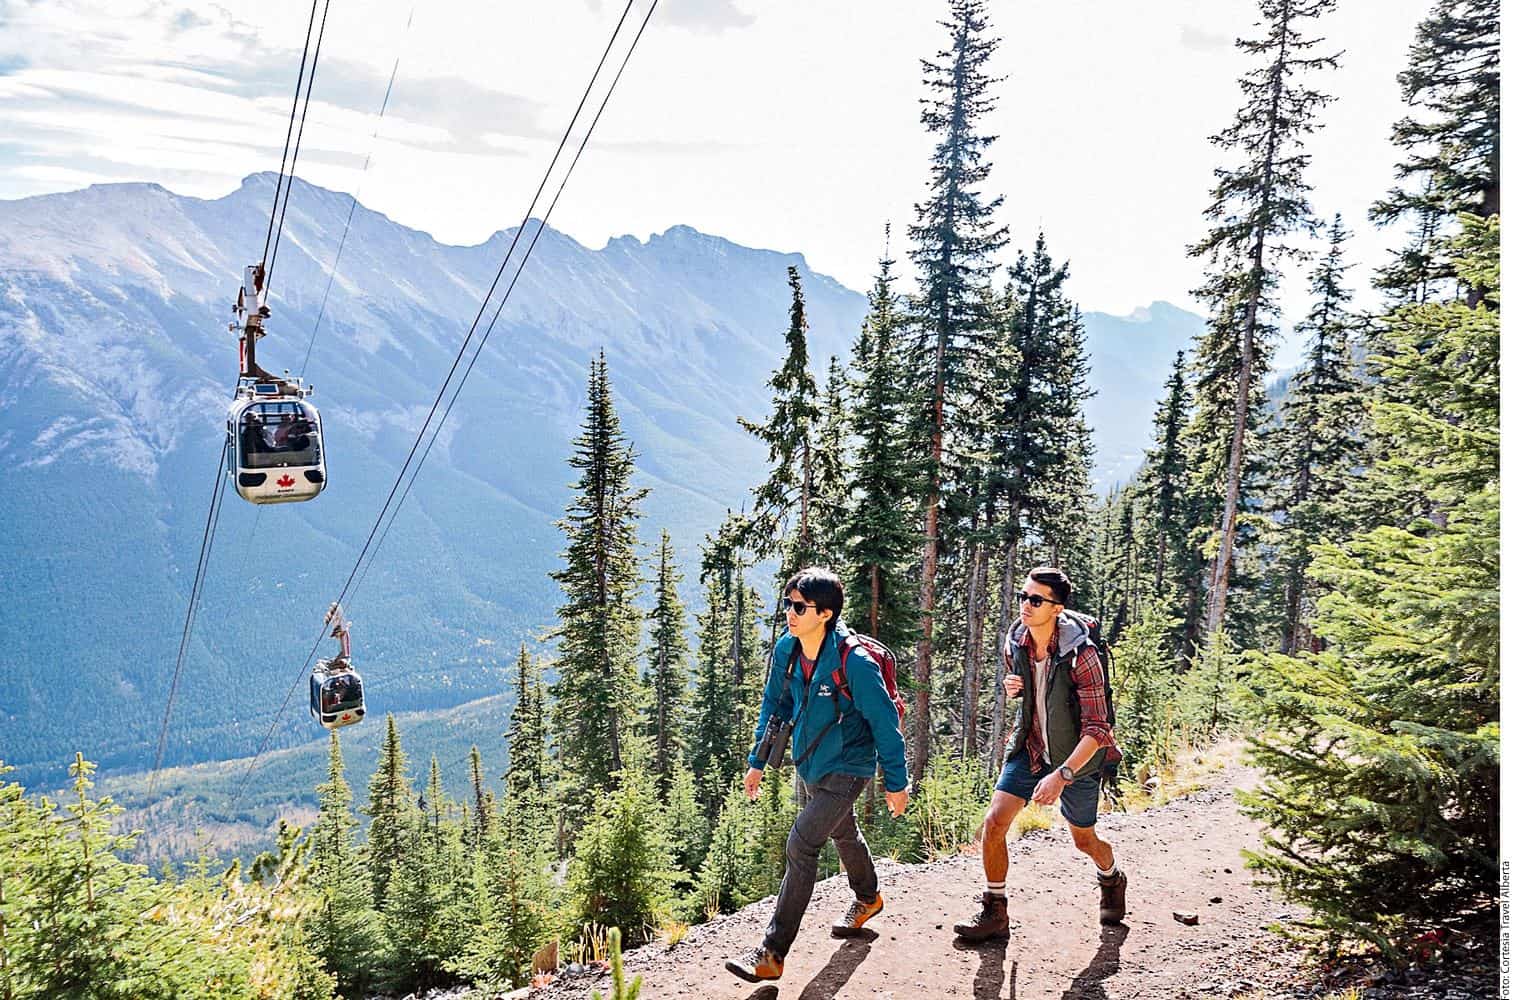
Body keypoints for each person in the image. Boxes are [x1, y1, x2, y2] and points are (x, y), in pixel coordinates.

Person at [724, 567, 910, 983]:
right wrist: (757, 761)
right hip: (810, 762)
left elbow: (884, 724)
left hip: (850, 767)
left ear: (825, 614)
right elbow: (775, 705)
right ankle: (868, 897)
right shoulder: (788, 649)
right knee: (843, 831)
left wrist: (897, 783)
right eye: (788, 604)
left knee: (802, 843)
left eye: (799, 607)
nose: (790, 613)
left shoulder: (855, 663)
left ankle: (771, 953)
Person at [954, 566, 1127, 942]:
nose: (1025, 606)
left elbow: (1099, 729)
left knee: (1084, 841)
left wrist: (1062, 775)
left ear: (1057, 608)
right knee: (995, 822)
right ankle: (995, 911)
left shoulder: (1082, 656)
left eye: (1036, 600)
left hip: (1078, 759)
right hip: (1030, 748)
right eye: (1023, 597)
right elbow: (1025, 691)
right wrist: (1014, 688)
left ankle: (1111, 877)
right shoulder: (1016, 640)